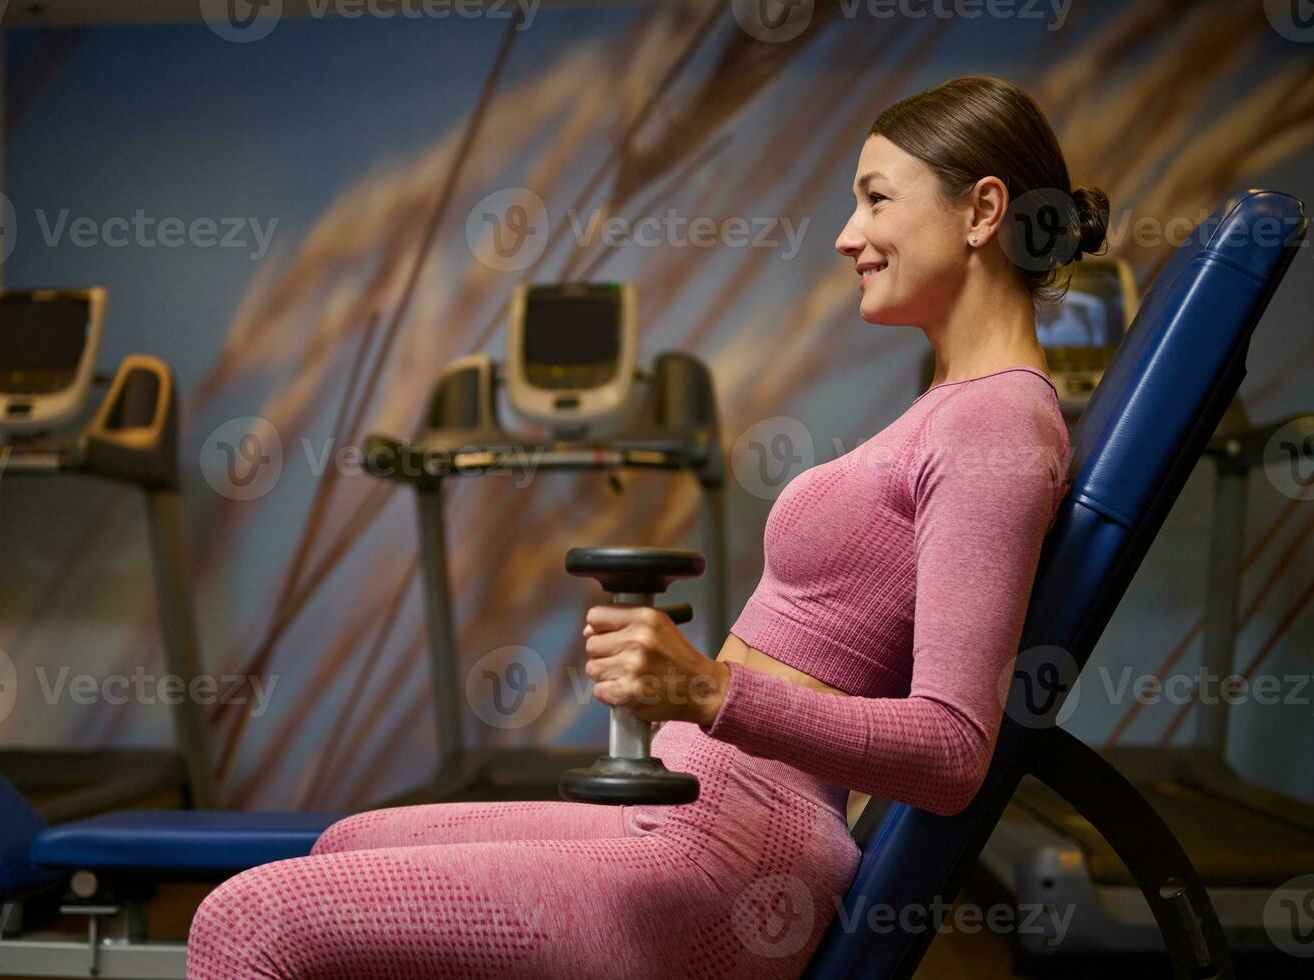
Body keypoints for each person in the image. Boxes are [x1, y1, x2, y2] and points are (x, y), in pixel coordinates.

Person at [185, 73, 1106, 979]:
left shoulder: (994, 425)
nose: (845, 236)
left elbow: (950, 754)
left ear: (983, 211)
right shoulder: (955, 405)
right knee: (342, 842)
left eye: (873, 200)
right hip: (693, 813)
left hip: (736, 861)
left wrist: (708, 692)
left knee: (250, 921)